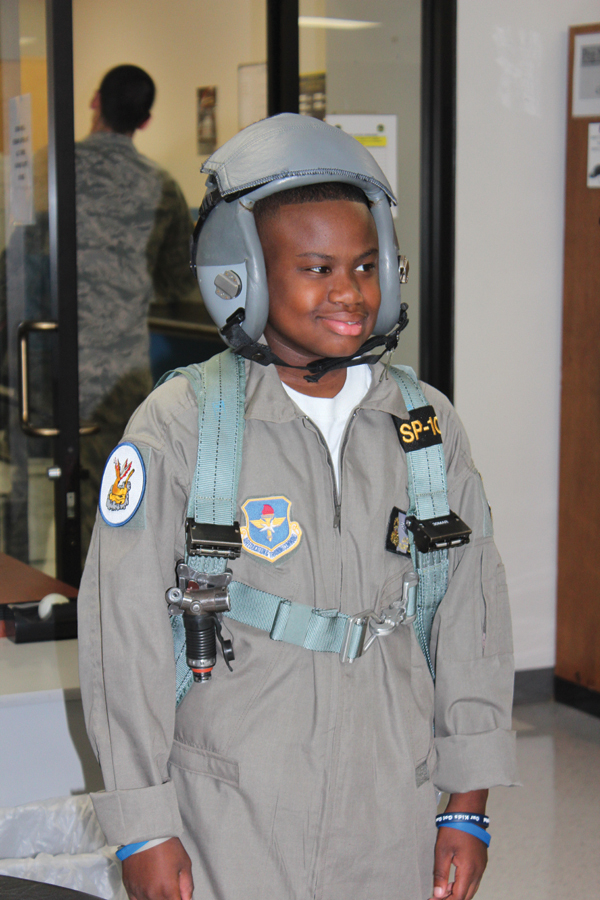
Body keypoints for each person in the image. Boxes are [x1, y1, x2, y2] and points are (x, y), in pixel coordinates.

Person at [78, 114, 517, 900]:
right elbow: (125, 638)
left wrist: (469, 803)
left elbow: (471, 615)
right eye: (317, 268)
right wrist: (144, 822)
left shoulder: (423, 428)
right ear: (239, 272)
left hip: (394, 804)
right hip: (229, 813)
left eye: (364, 265)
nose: (349, 292)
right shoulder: (183, 426)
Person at [76, 64, 200, 556]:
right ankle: (106, 594)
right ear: (145, 121)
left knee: (42, 488)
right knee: (121, 490)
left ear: (94, 102)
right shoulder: (161, 185)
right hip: (121, 370)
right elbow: (178, 281)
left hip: (49, 361)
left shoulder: (51, 170)